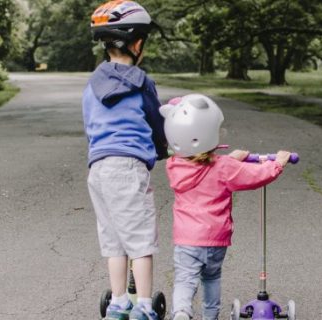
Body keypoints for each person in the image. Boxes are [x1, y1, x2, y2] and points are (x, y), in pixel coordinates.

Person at [159, 94, 291, 320]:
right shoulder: (224, 167)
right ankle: (210, 317)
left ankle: (181, 311)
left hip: (186, 239)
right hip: (214, 239)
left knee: (184, 279)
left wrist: (231, 158)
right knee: (211, 278)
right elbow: (256, 175)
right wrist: (277, 163)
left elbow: (203, 166)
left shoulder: (174, 166)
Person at [83, 1, 167, 319]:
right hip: (128, 169)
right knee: (140, 241)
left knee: (113, 241)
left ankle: (118, 302)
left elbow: (91, 128)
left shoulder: (91, 87)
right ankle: (144, 307)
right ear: (138, 43)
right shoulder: (141, 82)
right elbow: (157, 122)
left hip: (99, 170)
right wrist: (162, 148)